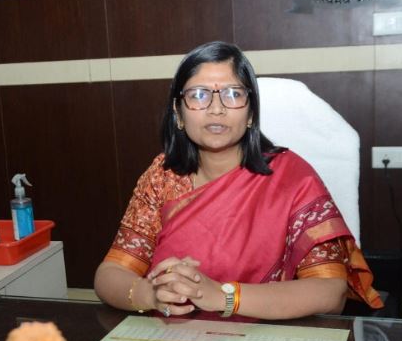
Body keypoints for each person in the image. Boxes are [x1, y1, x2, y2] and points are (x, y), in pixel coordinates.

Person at [94, 41, 383, 320]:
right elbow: (109, 275)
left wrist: (223, 296)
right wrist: (151, 294)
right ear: (178, 112)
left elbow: (329, 292)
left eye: (233, 94)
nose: (216, 108)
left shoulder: (292, 178)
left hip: (264, 338)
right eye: (199, 95)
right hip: (173, 338)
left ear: (251, 112)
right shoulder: (163, 176)